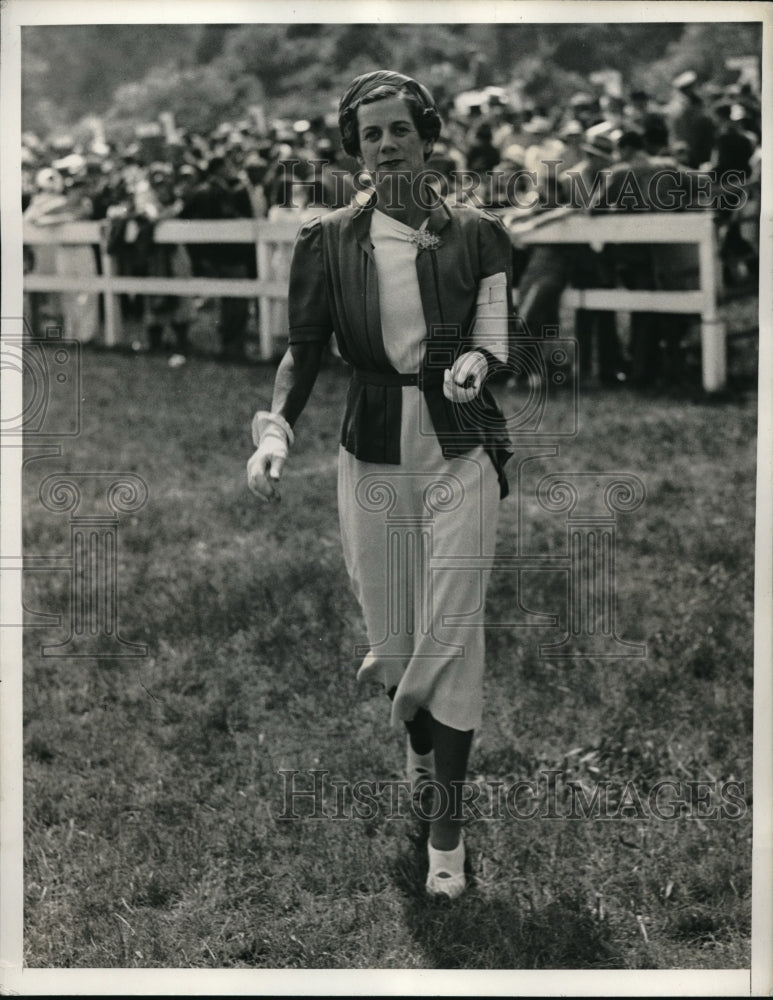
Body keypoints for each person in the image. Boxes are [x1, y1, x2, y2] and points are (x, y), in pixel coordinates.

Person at [247, 70, 515, 899]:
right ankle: (414, 729)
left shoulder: (479, 233)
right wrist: (274, 429)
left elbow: (498, 334)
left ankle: (446, 837)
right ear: (354, 150)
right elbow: (304, 346)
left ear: (426, 136)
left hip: (460, 450)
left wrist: (477, 357)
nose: (387, 144)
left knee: (454, 628)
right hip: (369, 453)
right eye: (371, 134)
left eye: (400, 129)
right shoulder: (326, 238)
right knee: (395, 634)